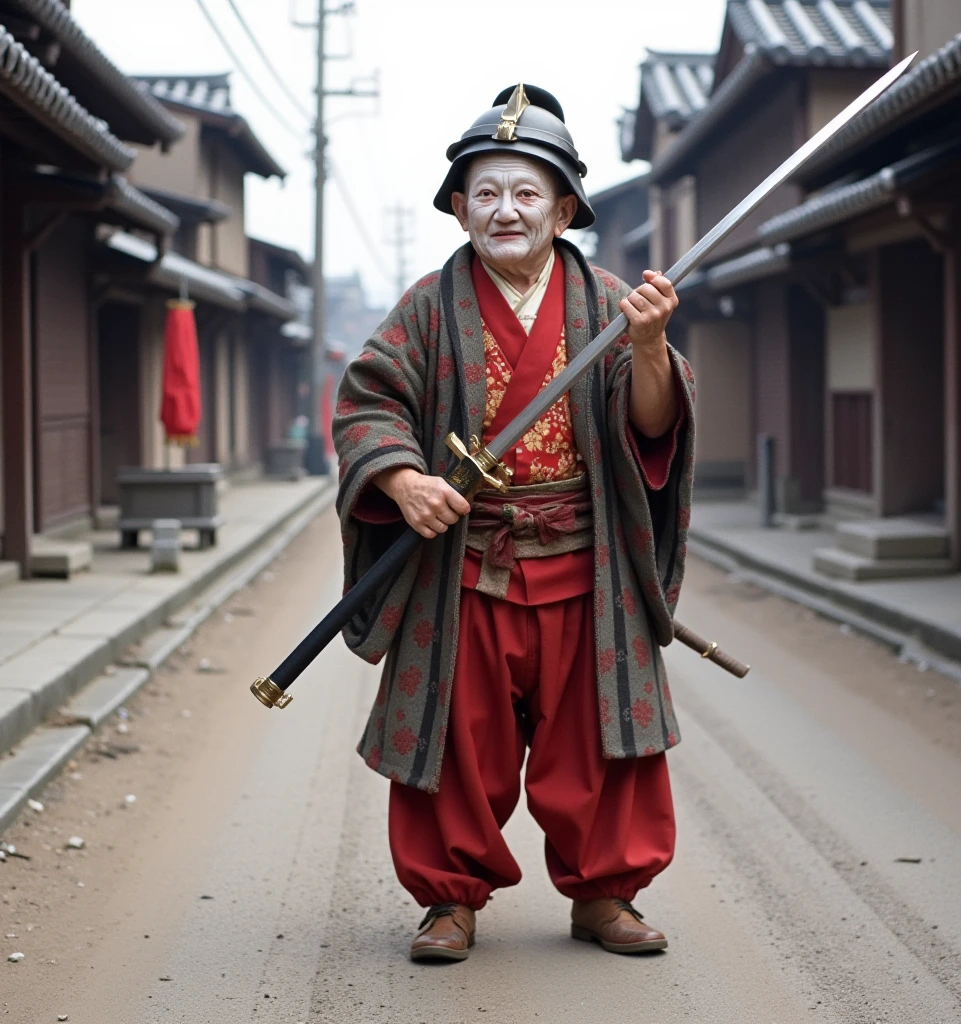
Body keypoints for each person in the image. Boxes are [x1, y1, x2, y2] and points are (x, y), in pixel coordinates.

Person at [333, 83, 695, 962]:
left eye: (528, 193)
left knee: (601, 741)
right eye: (486, 192)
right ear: (459, 206)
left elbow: (654, 425)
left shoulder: (614, 302)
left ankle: (606, 895)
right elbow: (367, 403)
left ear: (565, 207)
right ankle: (448, 900)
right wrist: (404, 477)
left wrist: (648, 350)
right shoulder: (426, 307)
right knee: (457, 739)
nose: (507, 210)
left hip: (587, 565)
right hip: (465, 566)